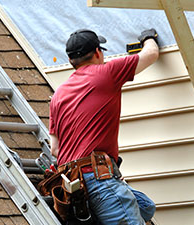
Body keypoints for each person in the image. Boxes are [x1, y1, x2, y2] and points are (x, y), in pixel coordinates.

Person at [49, 28, 159, 225]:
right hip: (98, 179)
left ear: (70, 61)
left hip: (74, 186)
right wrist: (148, 37)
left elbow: (55, 149)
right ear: (98, 52)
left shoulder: (58, 95)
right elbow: (151, 54)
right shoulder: (107, 72)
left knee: (146, 207)